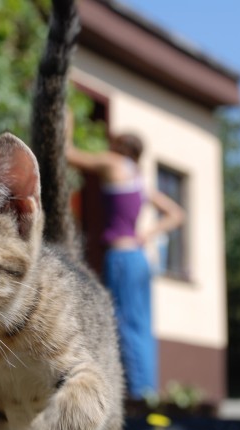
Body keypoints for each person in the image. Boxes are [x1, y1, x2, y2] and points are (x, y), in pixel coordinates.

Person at [65, 114, 185, 405]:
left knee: (124, 324)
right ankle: (147, 391)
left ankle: (139, 396)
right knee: (142, 325)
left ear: (120, 147)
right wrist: (148, 234)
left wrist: (66, 118)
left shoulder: (113, 163)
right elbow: (177, 213)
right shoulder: (140, 180)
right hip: (141, 258)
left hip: (121, 258)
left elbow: (68, 154)